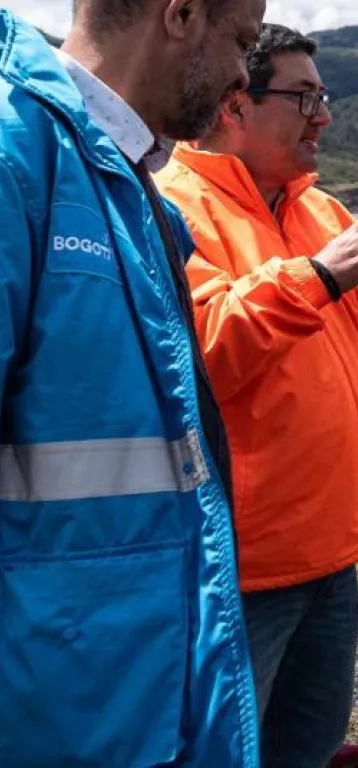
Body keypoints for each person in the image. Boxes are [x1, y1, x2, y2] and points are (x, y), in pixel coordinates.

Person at [153, 23, 358, 768]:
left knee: (310, 746)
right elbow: (197, 362)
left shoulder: (318, 210)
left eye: (321, 97)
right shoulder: (175, 207)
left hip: (331, 550)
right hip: (244, 568)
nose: (324, 117)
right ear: (235, 104)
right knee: (223, 750)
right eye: (305, 99)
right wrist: (319, 276)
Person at [0, 1, 266, 765]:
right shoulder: (20, 159)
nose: (243, 72)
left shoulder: (120, 181)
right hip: (62, 720)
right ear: (180, 13)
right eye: (241, 40)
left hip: (137, 700)